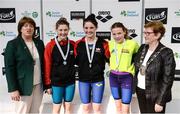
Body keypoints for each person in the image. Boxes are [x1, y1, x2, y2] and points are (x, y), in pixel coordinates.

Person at [4, 16, 44, 114]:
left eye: (31, 26)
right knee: (22, 111)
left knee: (35, 111)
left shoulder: (39, 43)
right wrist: (13, 89)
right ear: (20, 29)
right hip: (23, 86)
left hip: (38, 85)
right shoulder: (13, 44)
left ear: (34, 29)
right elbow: (9, 68)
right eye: (25, 26)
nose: (28, 28)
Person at [134, 21, 176, 113]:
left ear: (157, 35)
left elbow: (167, 79)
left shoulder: (166, 52)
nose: (145, 35)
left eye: (148, 33)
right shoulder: (142, 48)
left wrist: (160, 101)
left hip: (155, 95)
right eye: (144, 33)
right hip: (140, 91)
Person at [75, 14, 110, 114]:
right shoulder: (78, 44)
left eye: (91, 27)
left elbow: (111, 60)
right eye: (86, 28)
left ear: (96, 28)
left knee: (97, 109)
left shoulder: (104, 44)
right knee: (85, 109)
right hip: (83, 80)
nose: (88, 30)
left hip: (97, 80)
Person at [44, 17, 76, 114]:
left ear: (69, 30)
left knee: (68, 108)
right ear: (56, 30)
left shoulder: (73, 44)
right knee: (56, 109)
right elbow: (47, 65)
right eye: (60, 30)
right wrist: (48, 84)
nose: (63, 32)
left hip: (70, 82)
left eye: (65, 30)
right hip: (56, 82)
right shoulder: (50, 45)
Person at [108, 22, 139, 114]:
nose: (117, 36)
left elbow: (138, 58)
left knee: (125, 108)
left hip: (126, 77)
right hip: (113, 77)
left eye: (119, 33)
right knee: (118, 108)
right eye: (114, 34)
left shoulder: (132, 44)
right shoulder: (110, 44)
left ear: (124, 32)